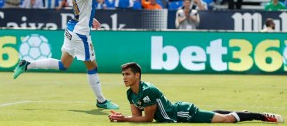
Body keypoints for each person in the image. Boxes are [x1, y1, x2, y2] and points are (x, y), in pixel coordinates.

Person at [13, 0, 119, 110]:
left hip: (73, 28)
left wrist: (91, 18)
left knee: (64, 64)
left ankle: (27, 65)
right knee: (92, 66)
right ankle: (101, 101)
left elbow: (81, 6)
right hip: (80, 33)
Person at [108, 62, 284, 123]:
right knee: (214, 115)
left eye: (128, 74)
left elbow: (147, 119)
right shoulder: (131, 94)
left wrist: (123, 118)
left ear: (137, 75)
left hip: (180, 113)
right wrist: (122, 117)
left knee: (226, 120)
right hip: (177, 112)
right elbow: (137, 118)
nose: (124, 77)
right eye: (123, 75)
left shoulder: (149, 91)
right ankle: (241, 114)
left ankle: (261, 116)